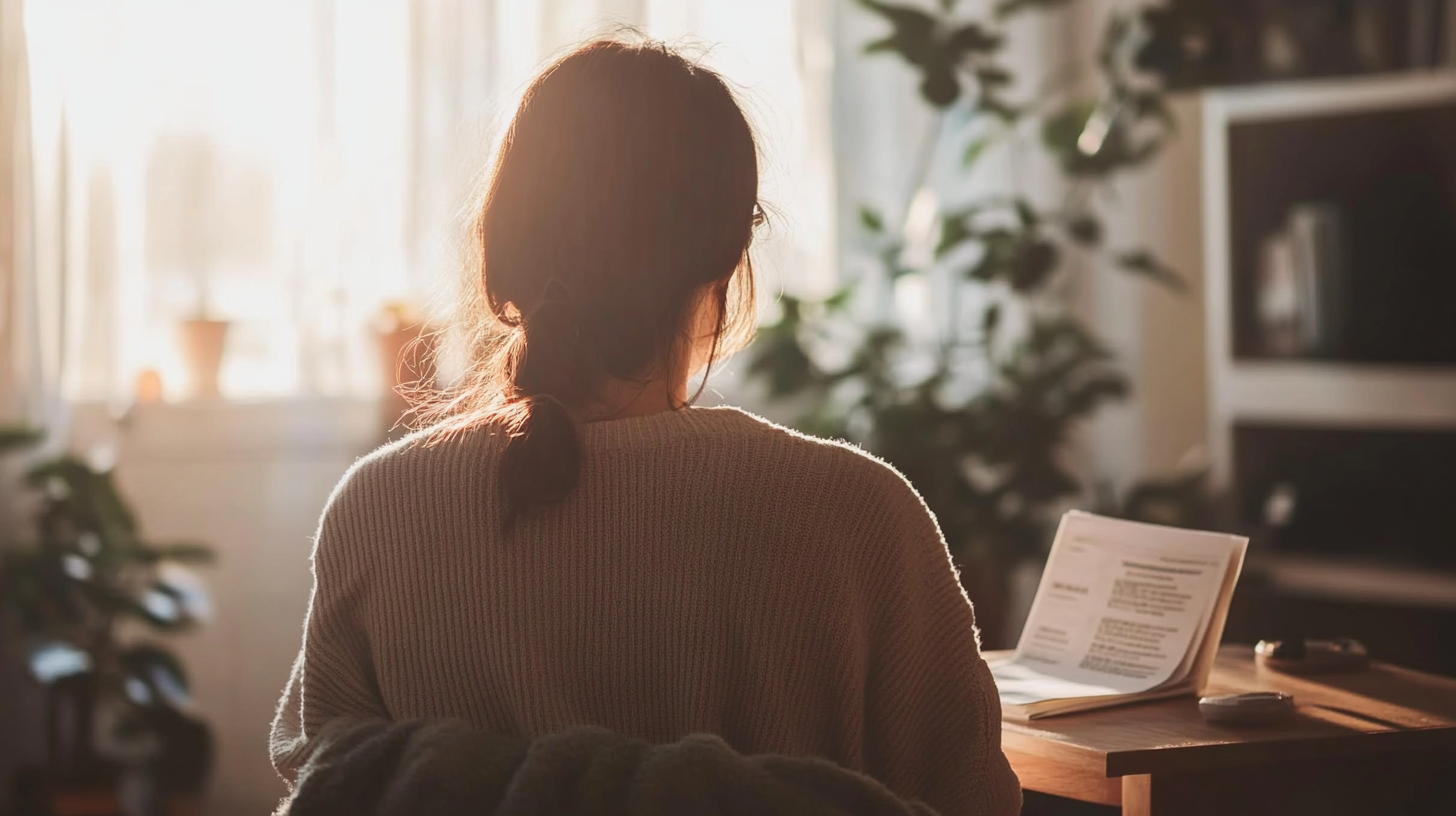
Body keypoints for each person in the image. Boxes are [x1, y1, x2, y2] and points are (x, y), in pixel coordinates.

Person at [270, 37, 1020, 816]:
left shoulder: (378, 511)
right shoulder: (861, 515)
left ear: (504, 259)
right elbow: (974, 804)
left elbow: (328, 783)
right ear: (730, 253)